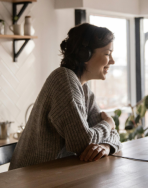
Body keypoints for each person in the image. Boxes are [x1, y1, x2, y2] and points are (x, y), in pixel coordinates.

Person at [9, 23, 122, 170]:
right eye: (107, 54)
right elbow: (83, 143)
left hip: (53, 176)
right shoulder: (63, 80)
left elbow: (113, 136)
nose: (112, 61)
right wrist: (108, 124)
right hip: (29, 180)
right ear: (84, 55)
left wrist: (106, 146)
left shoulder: (84, 90)